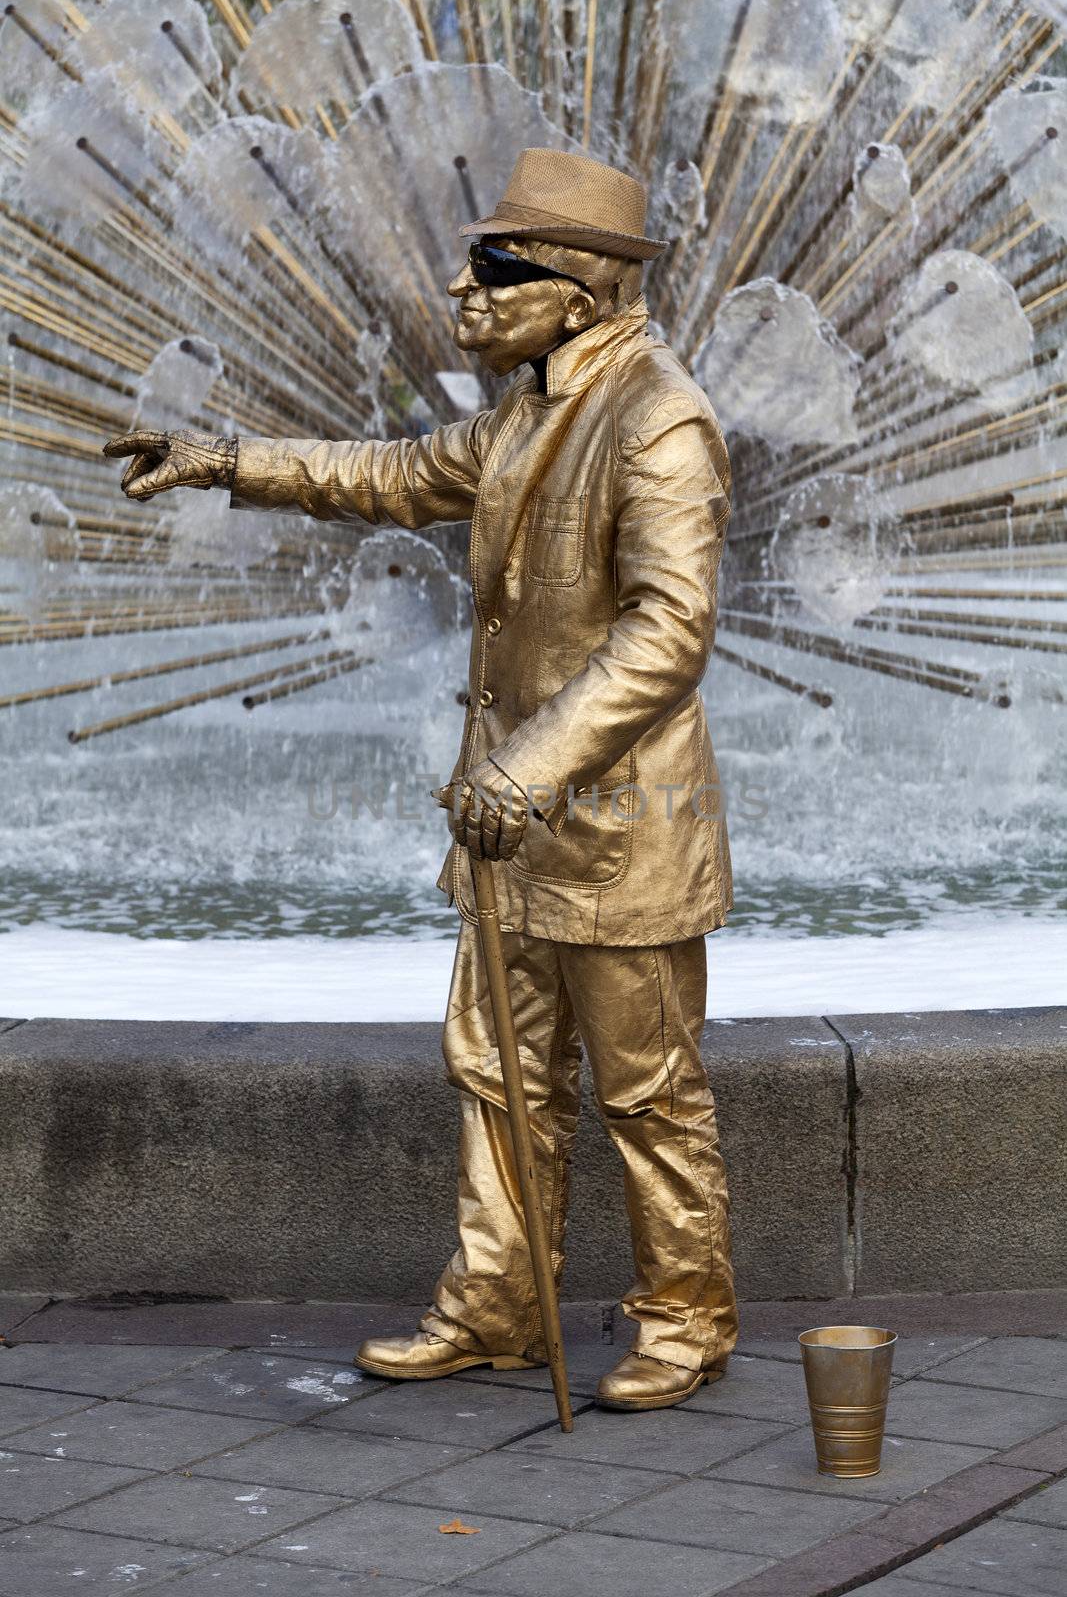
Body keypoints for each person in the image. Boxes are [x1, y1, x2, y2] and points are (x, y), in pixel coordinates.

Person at [105, 147, 738, 1412]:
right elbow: (388, 478)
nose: (465, 284)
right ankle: (499, 1306)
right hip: (507, 830)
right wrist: (223, 459)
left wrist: (531, 761)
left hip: (614, 830)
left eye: (497, 265)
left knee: (647, 1091)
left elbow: (668, 632)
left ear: (578, 288)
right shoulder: (525, 413)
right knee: (497, 1077)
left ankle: (686, 1317)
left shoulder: (656, 418)